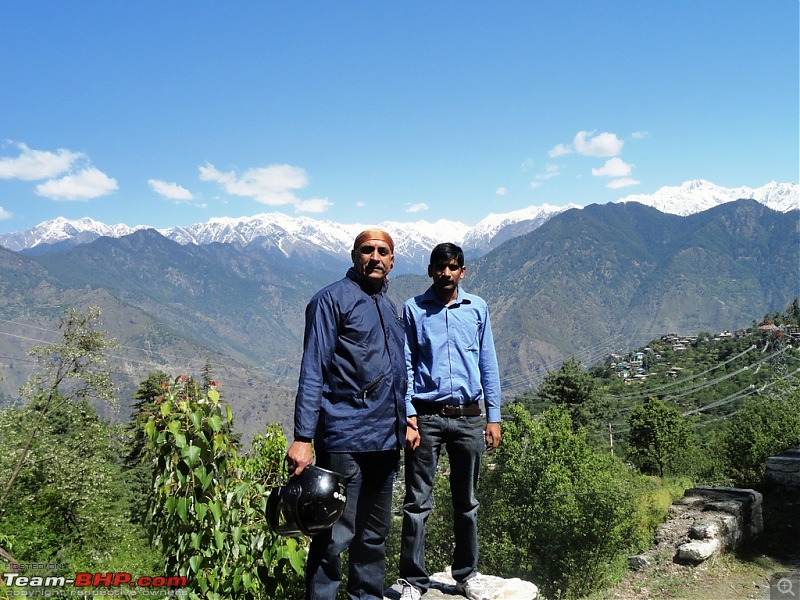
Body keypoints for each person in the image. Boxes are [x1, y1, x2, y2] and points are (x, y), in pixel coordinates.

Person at [286, 228, 407, 600]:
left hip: (386, 439)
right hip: (344, 437)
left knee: (373, 534)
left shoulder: (389, 306)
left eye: (382, 251)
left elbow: (399, 370)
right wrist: (303, 438)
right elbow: (313, 371)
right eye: (367, 250)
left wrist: (409, 420)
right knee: (334, 533)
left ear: (392, 260)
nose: (375, 257)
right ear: (354, 256)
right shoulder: (330, 301)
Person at [398, 242, 502, 600]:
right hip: (426, 418)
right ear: (430, 270)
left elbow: (488, 362)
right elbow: (407, 366)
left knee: (467, 502)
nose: (446, 273)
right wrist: (408, 414)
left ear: (463, 271)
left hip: (470, 418)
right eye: (440, 267)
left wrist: (494, 416)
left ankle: (466, 574)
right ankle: (413, 580)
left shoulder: (477, 309)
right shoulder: (413, 309)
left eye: (453, 267)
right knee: (417, 502)